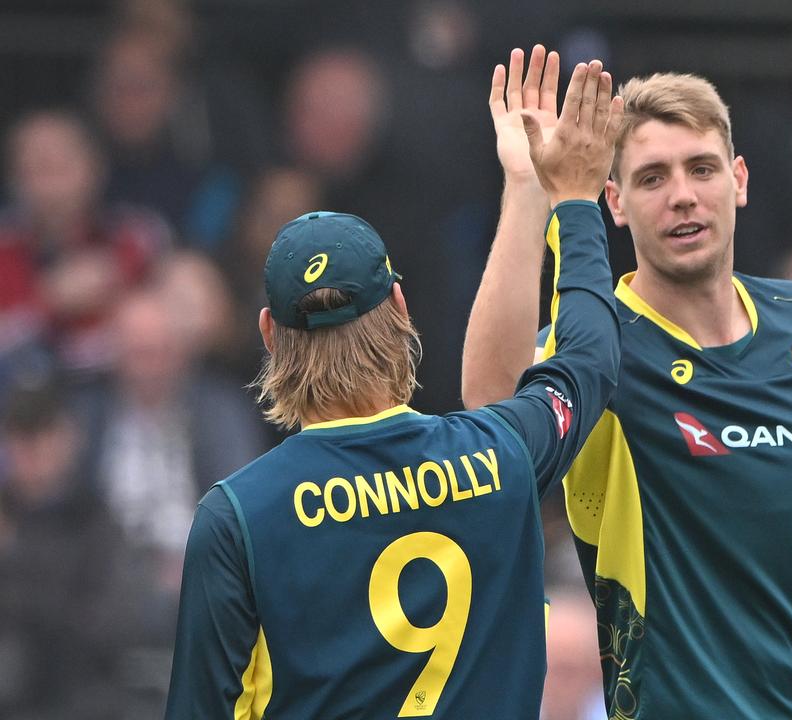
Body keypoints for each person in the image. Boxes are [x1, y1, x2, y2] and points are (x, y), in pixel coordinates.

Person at [164, 58, 623, 718]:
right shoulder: (500, 454)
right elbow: (589, 357)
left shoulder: (237, 516)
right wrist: (571, 201)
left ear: (270, 333)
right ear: (402, 308)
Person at [463, 46, 792, 718]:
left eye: (702, 168)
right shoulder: (600, 344)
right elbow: (491, 400)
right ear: (615, 203)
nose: (683, 193)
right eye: (652, 177)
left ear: (739, 180)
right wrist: (528, 185)